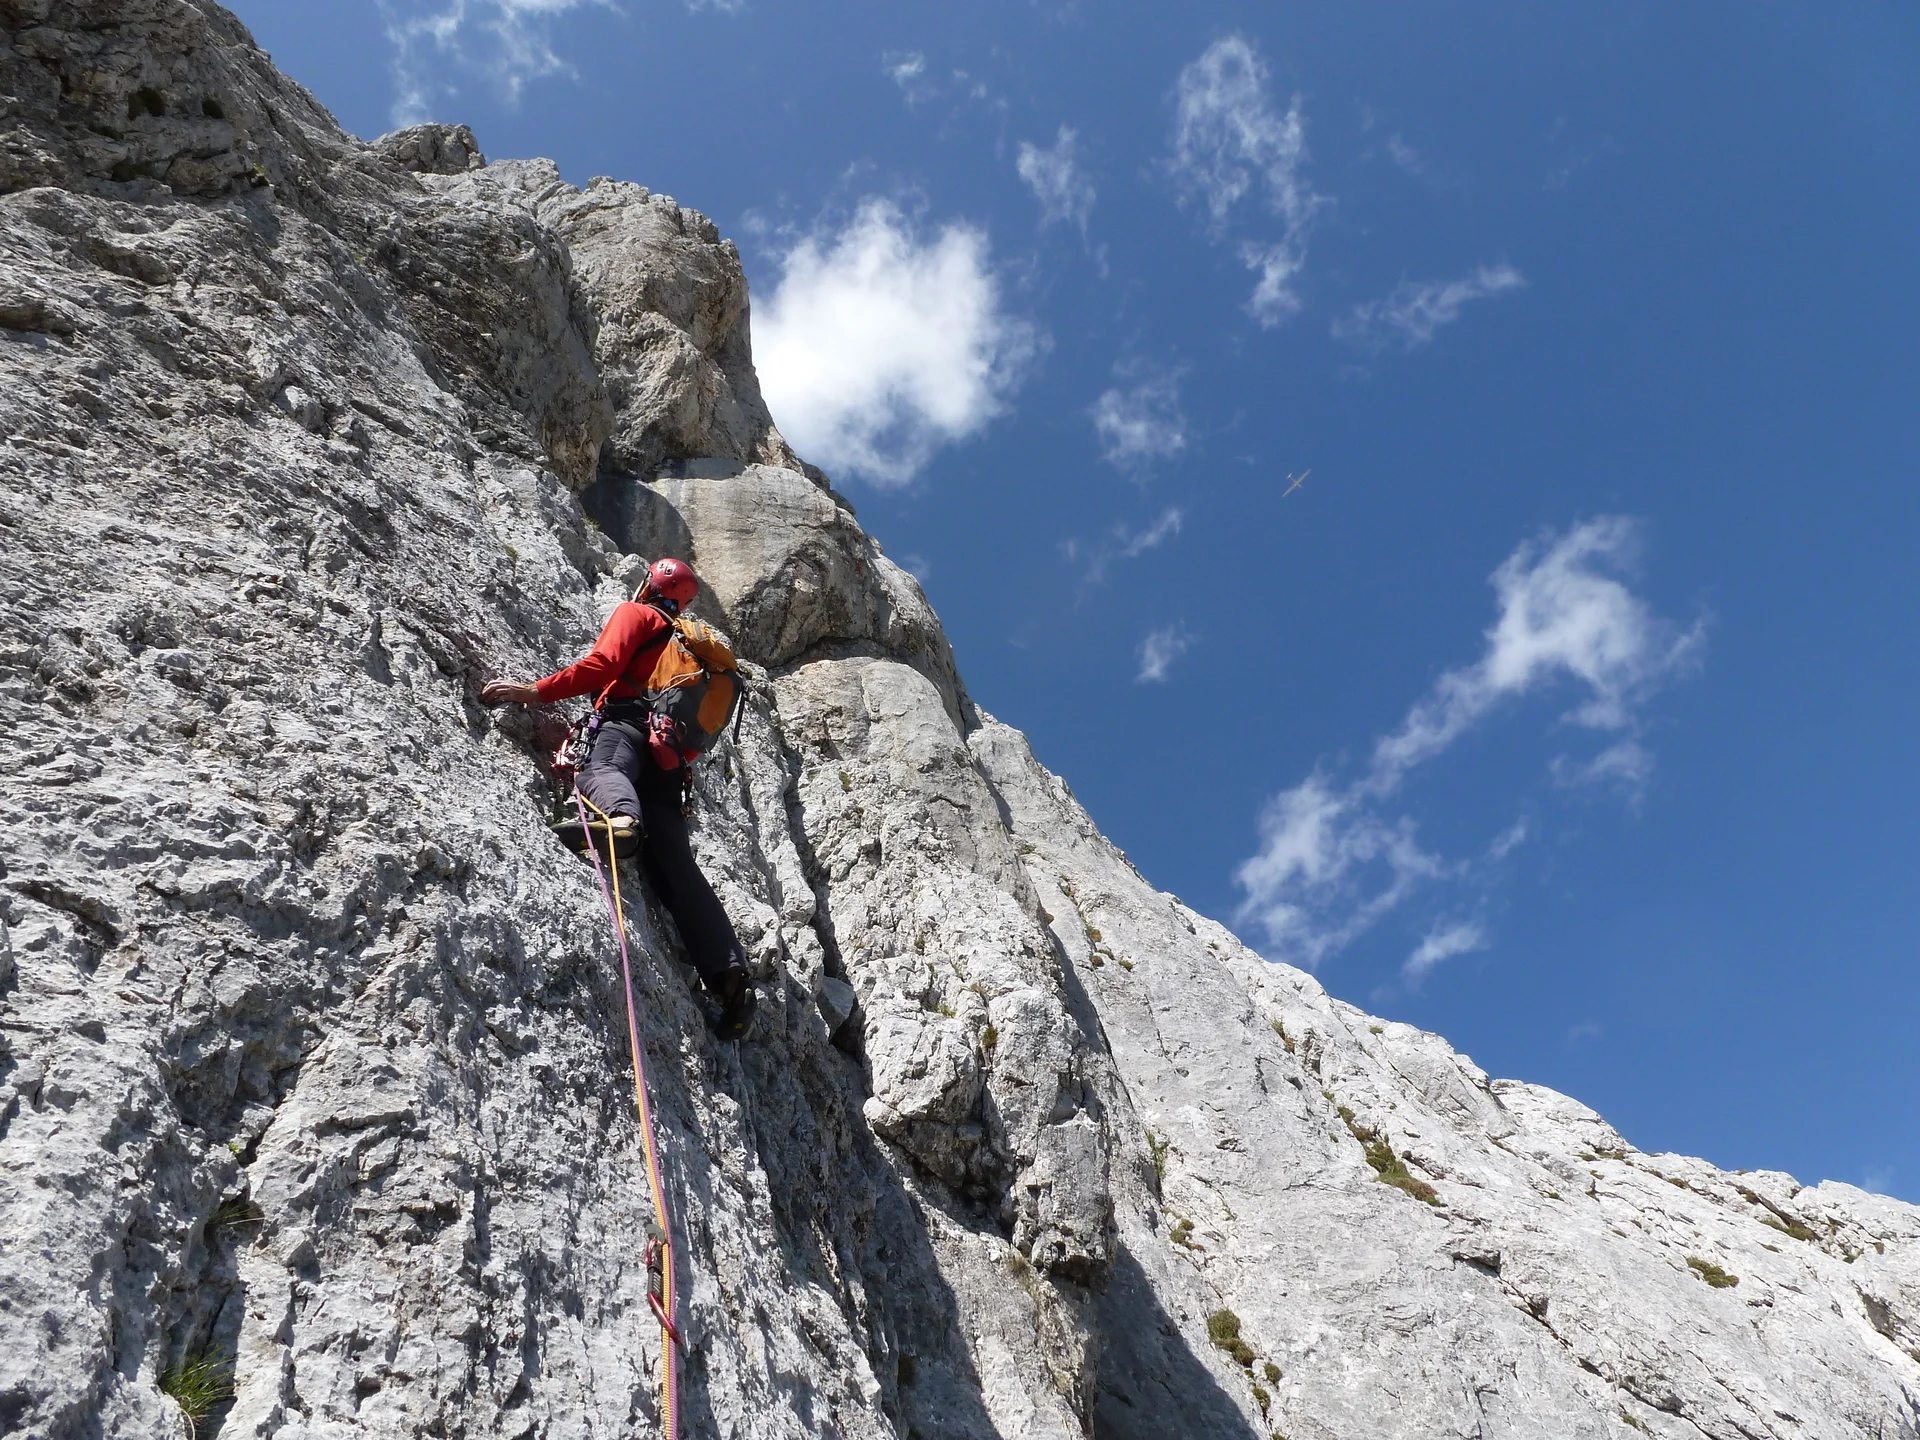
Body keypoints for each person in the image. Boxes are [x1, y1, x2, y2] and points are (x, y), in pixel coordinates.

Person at [481, 558, 755, 1040]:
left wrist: (534, 692)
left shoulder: (639, 614)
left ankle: (621, 822)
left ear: (651, 583)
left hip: (624, 727)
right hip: (670, 761)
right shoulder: (693, 651)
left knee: (601, 770)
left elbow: (604, 665)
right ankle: (732, 982)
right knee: (676, 870)